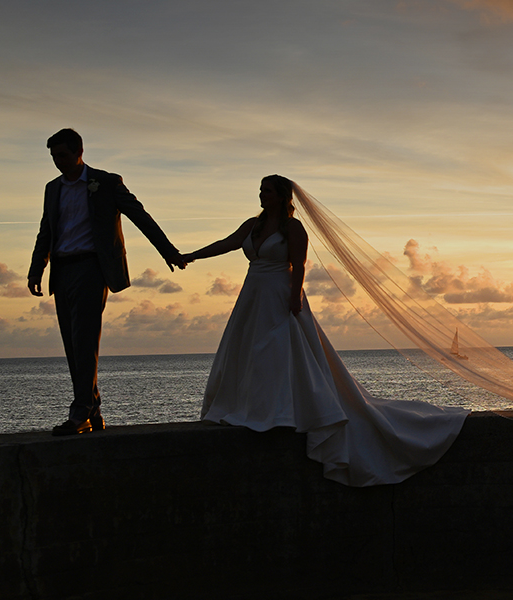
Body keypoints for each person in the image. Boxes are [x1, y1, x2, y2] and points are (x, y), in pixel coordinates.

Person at [181, 175, 470, 486]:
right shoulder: (252, 224)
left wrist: (294, 298)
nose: (261, 195)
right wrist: (190, 255)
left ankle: (283, 413)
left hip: (280, 295)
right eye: (260, 190)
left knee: (279, 351)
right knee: (248, 352)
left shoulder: (292, 228)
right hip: (253, 296)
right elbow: (226, 244)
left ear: (281, 195)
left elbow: (300, 265)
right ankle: (253, 409)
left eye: (266, 190)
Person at [27, 129, 187, 436]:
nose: (57, 162)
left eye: (61, 155)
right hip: (62, 270)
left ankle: (80, 411)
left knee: (85, 340)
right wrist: (37, 269)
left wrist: (168, 251)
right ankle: (93, 411)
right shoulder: (52, 189)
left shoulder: (107, 182)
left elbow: (141, 217)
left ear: (78, 152)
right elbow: (45, 231)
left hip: (92, 267)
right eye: (53, 157)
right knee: (72, 344)